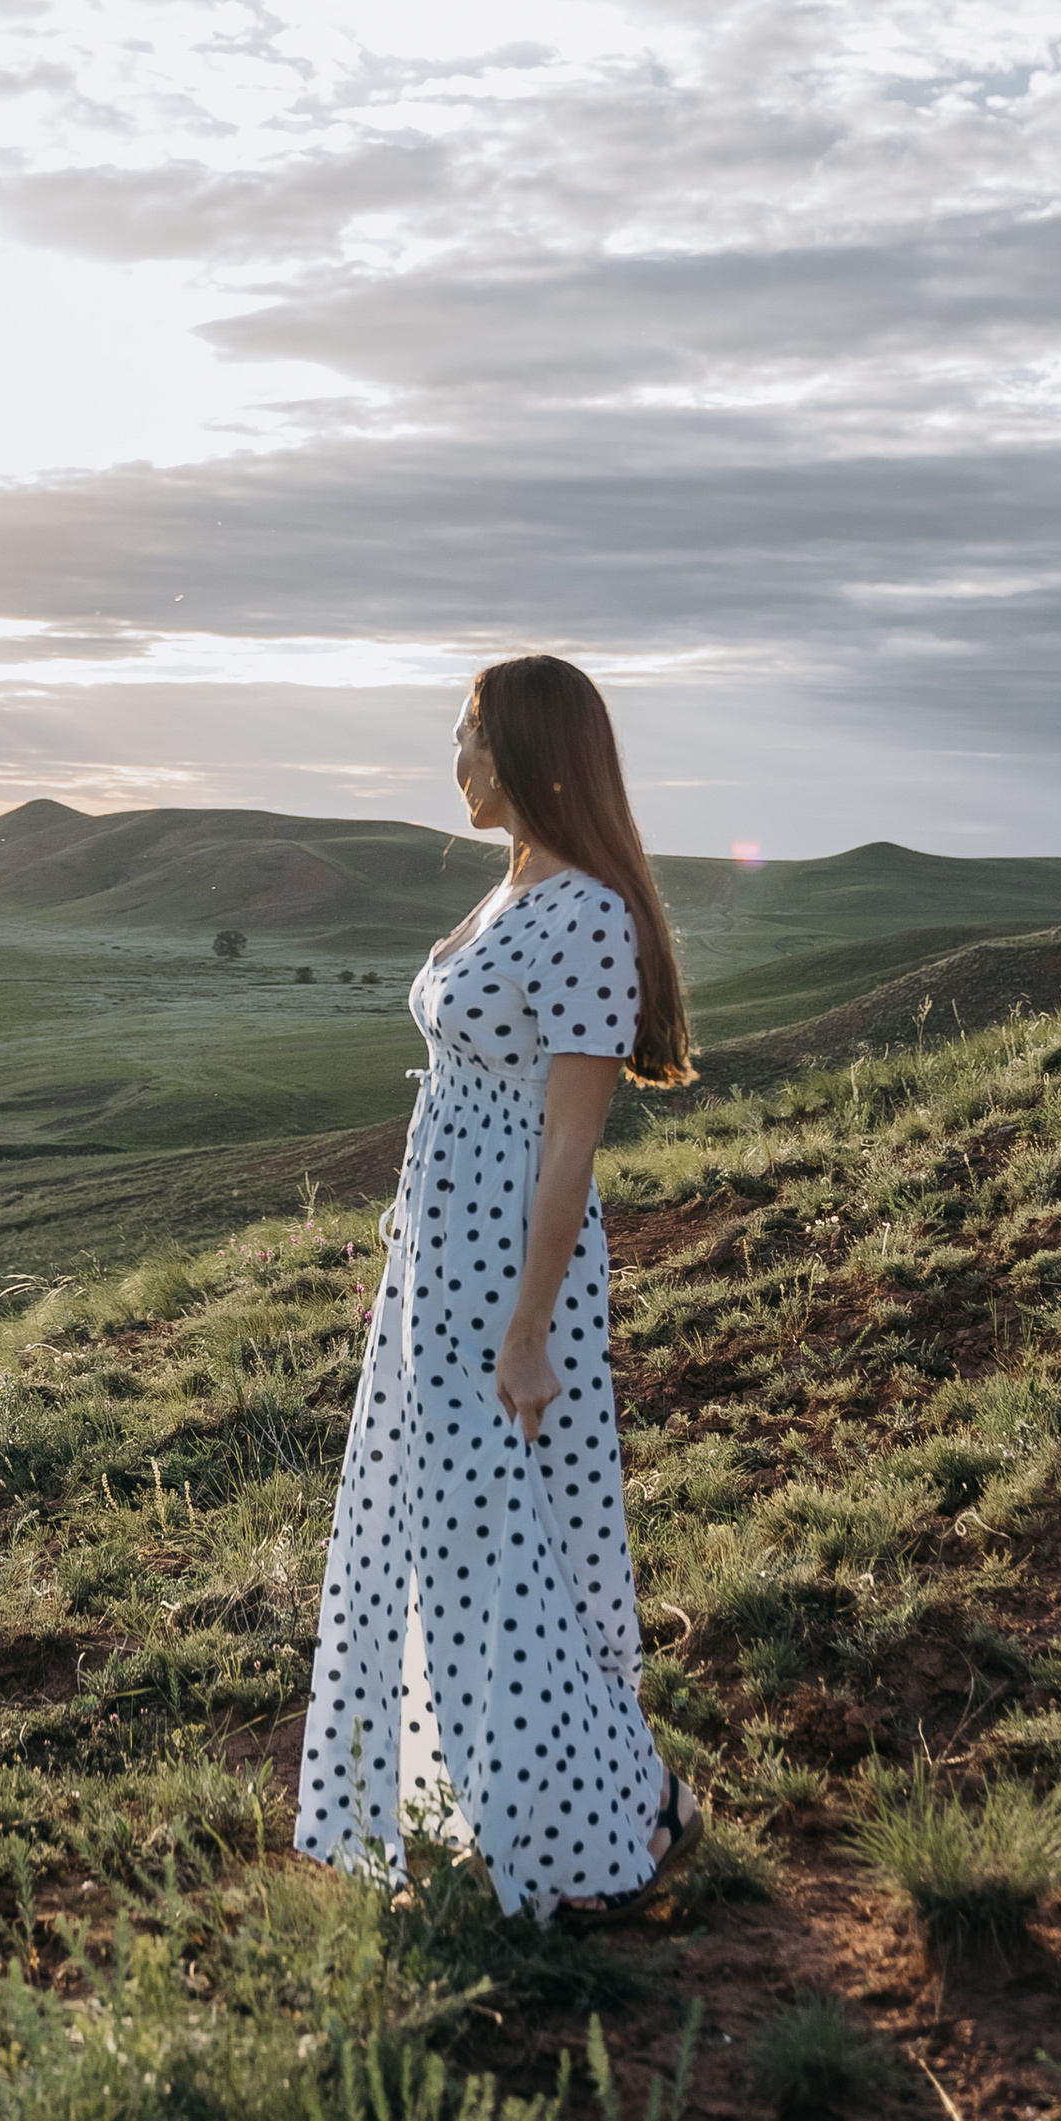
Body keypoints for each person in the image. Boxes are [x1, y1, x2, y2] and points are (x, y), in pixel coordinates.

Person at [295, 653, 702, 1920]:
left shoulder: (585, 913)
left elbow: (570, 1143)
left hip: (508, 1284)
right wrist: (405, 1275)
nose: (455, 761)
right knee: (450, 1543)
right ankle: (529, 1807)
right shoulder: (506, 894)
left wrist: (526, 1330)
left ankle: (609, 1826)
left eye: (471, 737)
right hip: (440, 1270)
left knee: (507, 1550)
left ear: (529, 750)